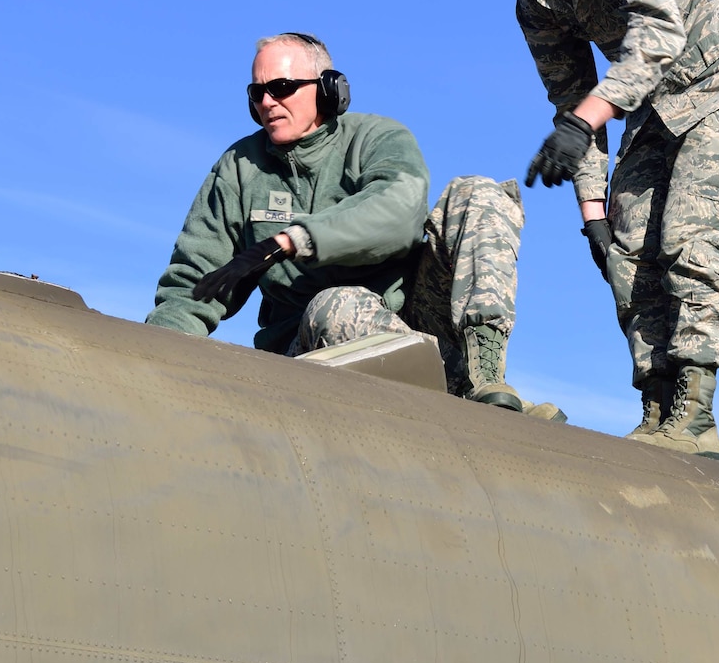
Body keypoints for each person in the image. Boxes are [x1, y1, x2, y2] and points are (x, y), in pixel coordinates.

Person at [461, 0, 719, 453]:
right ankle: (658, 407)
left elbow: (659, 38)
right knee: (628, 250)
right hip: (653, 106)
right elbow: (571, 103)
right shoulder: (536, 4)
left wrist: (584, 120)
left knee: (686, 237)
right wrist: (593, 215)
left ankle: (696, 414)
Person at [145, 32, 538, 412]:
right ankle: (449, 384)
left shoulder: (376, 138)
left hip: (415, 328)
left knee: (479, 192)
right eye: (257, 92)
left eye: (281, 87)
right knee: (336, 305)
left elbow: (398, 211)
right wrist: (153, 357)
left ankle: (481, 372)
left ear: (328, 89)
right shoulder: (239, 167)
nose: (267, 102)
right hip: (307, 344)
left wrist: (296, 239)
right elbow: (194, 281)